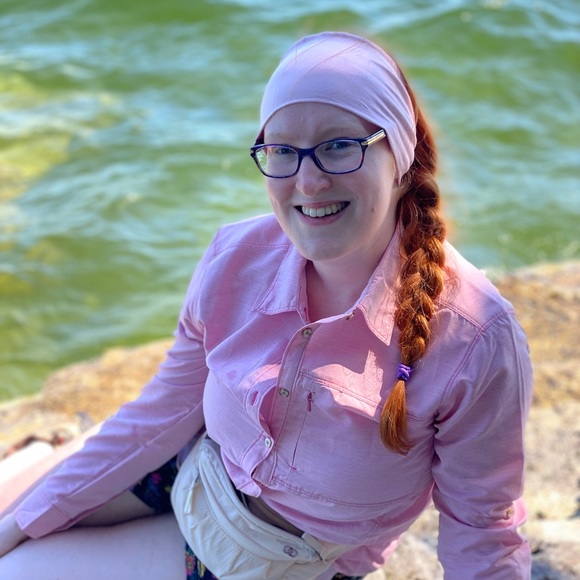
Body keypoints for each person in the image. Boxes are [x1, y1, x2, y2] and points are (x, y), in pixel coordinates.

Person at [0, 31, 533, 579]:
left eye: (339, 145)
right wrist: (22, 522)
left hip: (263, 555)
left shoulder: (475, 337)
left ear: (400, 158)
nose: (309, 181)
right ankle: (46, 454)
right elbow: (165, 412)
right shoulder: (234, 256)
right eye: (282, 150)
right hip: (192, 466)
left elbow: (482, 528)